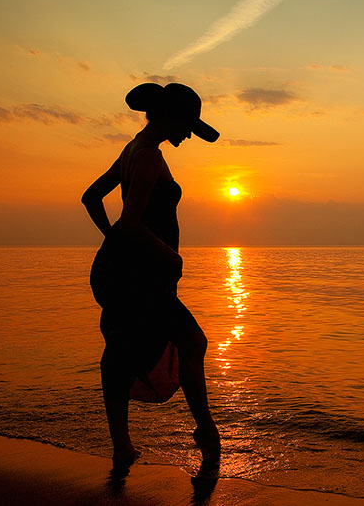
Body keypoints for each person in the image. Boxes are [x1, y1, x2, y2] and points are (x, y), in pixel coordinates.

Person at [81, 83, 221, 481]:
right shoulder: (147, 158)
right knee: (191, 341)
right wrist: (170, 254)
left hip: (127, 269)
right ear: (169, 117)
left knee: (123, 351)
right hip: (140, 275)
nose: (188, 135)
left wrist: (112, 242)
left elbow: (91, 198)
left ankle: (123, 444)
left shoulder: (133, 149)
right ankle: (206, 434)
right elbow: (131, 221)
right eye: (187, 126)